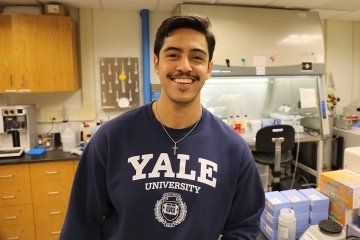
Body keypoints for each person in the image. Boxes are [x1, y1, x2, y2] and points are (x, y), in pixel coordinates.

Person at [60, 15, 265, 240]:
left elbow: (244, 227)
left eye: (196, 57)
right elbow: (80, 226)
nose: (184, 66)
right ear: (157, 63)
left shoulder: (233, 150)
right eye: (173, 55)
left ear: (208, 68)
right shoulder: (111, 139)